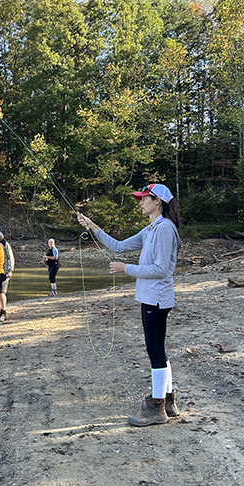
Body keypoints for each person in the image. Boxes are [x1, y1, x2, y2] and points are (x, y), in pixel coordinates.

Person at [77, 183, 182, 427]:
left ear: (159, 202)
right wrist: (94, 228)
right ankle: (168, 402)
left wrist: (126, 269)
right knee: (158, 349)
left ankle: (157, 408)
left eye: (144, 198)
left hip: (157, 298)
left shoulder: (165, 229)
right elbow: (120, 246)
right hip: (150, 297)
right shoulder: (151, 229)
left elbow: (161, 269)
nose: (140, 202)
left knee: (155, 350)